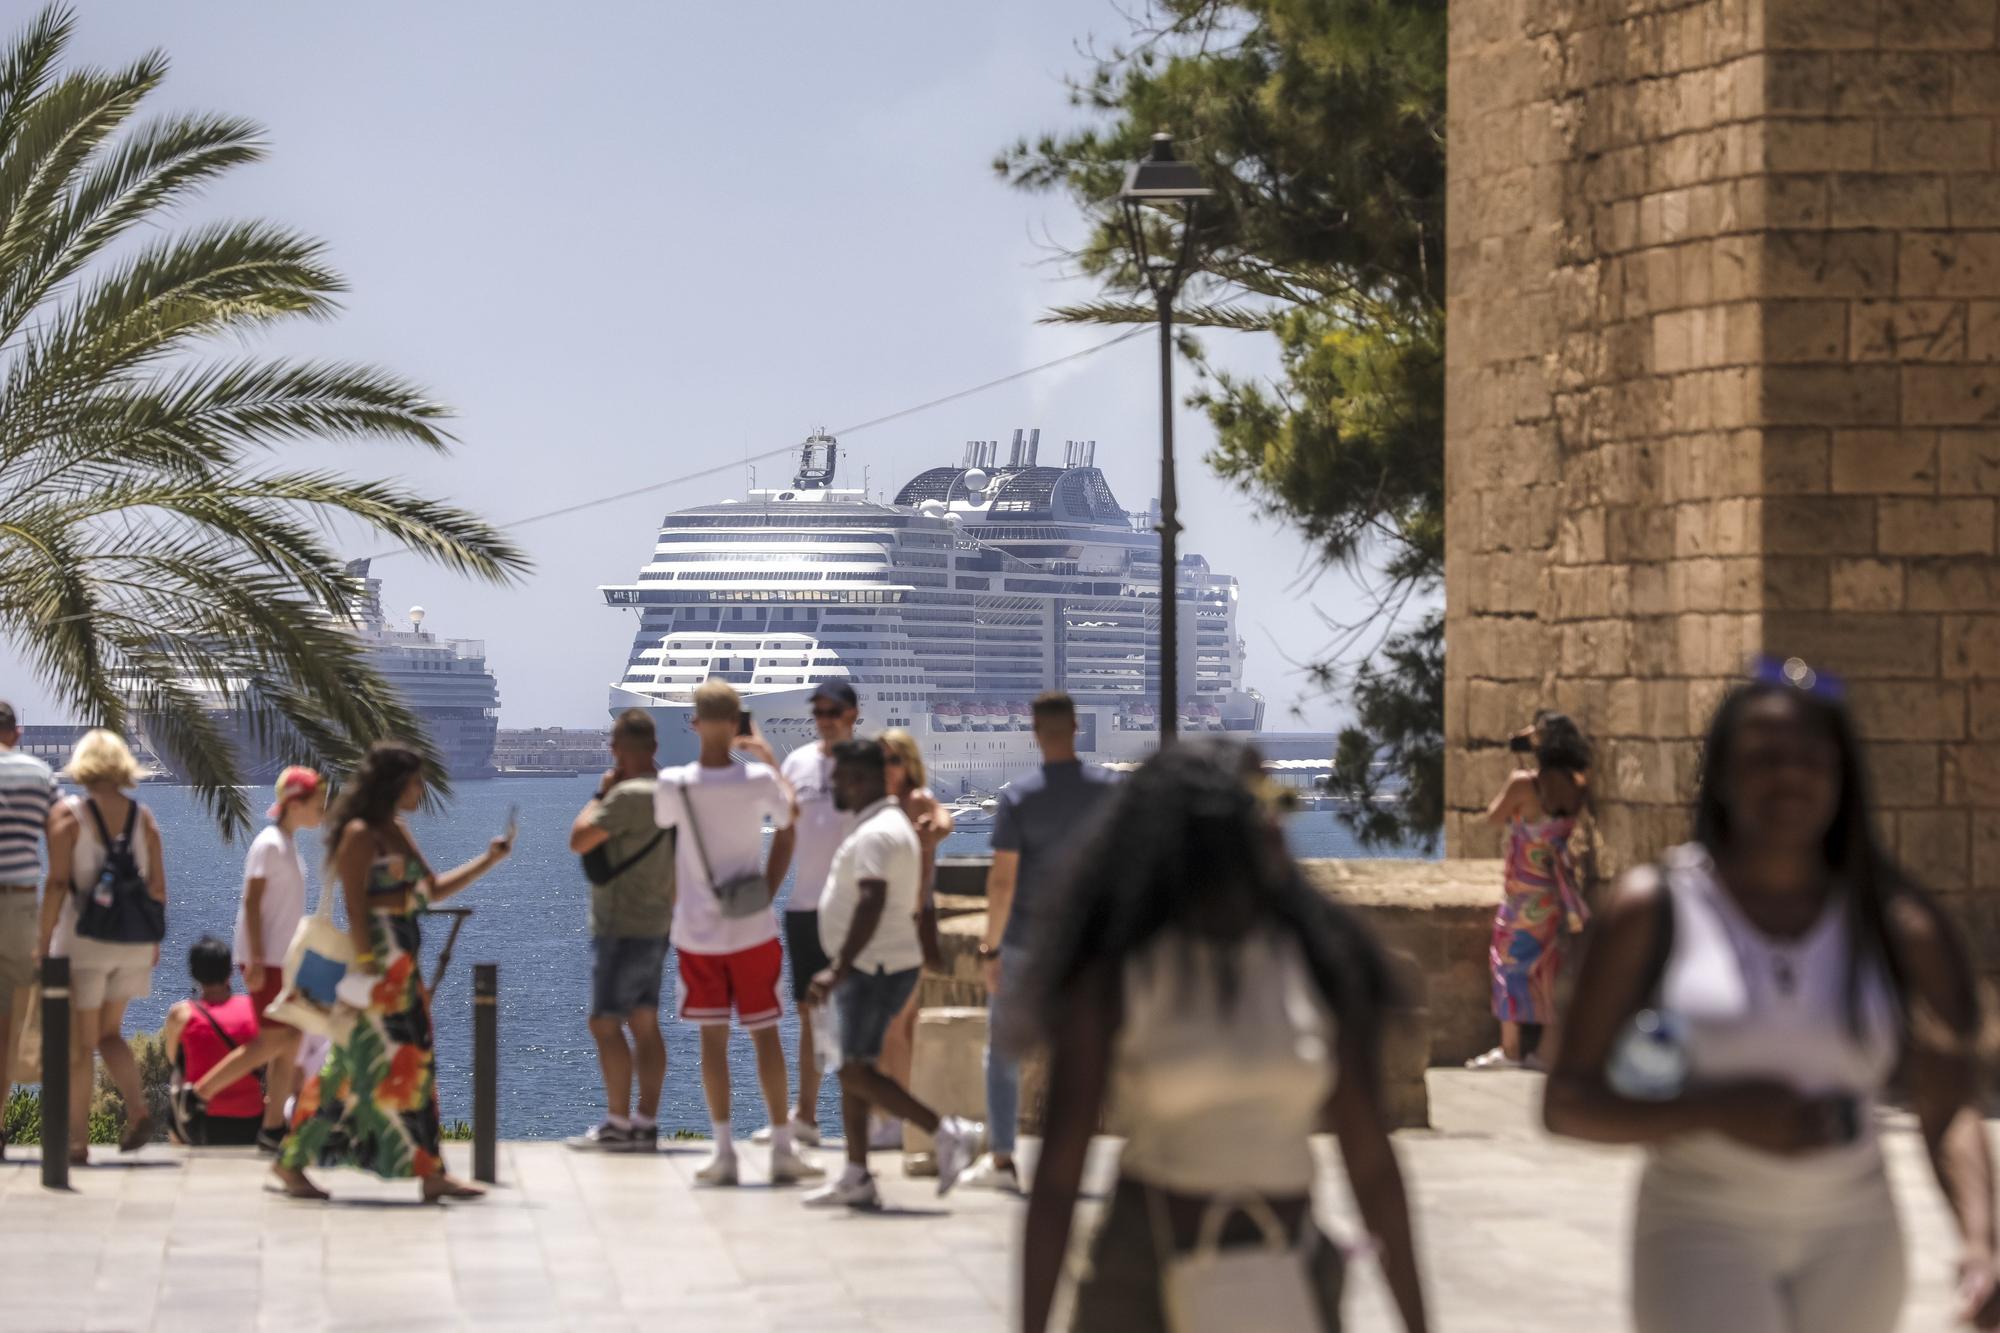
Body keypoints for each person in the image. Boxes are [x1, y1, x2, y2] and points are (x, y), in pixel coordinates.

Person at [1544, 659, 2000, 1333]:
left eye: (1809, 757)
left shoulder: (1895, 923)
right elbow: (1566, 1103)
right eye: (1763, 757)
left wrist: (1981, 1242)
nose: (1788, 775)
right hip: (1699, 1230)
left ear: (1842, 776)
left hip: (1856, 1235)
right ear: (1724, 777)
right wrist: (1717, 1111)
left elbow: (1948, 1096)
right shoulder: (1654, 907)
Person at [1014, 737, 1429, 1333]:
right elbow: (1058, 1177)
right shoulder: (1118, 972)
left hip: (1288, 1273)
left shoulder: (1320, 961)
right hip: (1140, 1280)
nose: (1273, 823)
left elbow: (1371, 1165)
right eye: (1255, 805)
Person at [271, 741, 510, 1202]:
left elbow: (433, 889)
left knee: (414, 1065)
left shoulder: (395, 830)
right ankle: (293, 1160)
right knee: (354, 1067)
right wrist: (366, 972)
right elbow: (357, 910)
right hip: (379, 968)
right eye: (416, 780)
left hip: (402, 966)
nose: (422, 789)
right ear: (395, 783)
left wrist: (490, 859)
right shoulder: (360, 833)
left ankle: (429, 1171)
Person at [652, 678, 820, 1187]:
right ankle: (782, 1147)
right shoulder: (758, 783)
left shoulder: (674, 784)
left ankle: (722, 1149)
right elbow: (792, 819)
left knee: (712, 1040)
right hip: (753, 928)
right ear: (737, 723)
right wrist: (768, 887)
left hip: (696, 932)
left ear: (695, 723)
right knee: (766, 1034)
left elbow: (666, 842)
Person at [799, 740, 980, 1209]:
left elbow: (872, 899)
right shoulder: (884, 824)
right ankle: (857, 1174)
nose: (832, 786)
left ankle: (946, 1130)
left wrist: (837, 968)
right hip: (877, 962)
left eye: (838, 778)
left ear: (858, 780)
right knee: (852, 1069)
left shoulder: (878, 832)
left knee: (855, 1070)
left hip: (873, 966)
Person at [966, 690, 1116, 1193]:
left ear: (1034, 733)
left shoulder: (1019, 797)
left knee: (1004, 1051)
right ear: (1077, 728)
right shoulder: (1107, 791)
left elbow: (1002, 881)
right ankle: (1071, 1156)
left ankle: (1004, 1159)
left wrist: (990, 947)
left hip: (1027, 940)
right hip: (1086, 945)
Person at [177, 767, 325, 1152]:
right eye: (317, 802)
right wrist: (256, 959)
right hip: (267, 959)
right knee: (278, 1038)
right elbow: (252, 901)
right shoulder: (270, 844)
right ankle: (199, 1094)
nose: (322, 810)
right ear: (295, 803)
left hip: (282, 958)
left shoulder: (288, 844)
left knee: (288, 1039)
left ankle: (273, 1127)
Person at [38, 729, 165, 1163]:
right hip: (132, 943)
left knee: (80, 1045)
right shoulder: (144, 819)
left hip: (84, 943)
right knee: (111, 1034)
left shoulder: (69, 816)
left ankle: (77, 1143)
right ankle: (138, 1109)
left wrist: (43, 943)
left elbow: (56, 884)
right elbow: (159, 891)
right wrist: (152, 943)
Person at [566, 708, 676, 1151]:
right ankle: (645, 1121)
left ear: (618, 749)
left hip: (620, 925)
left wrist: (599, 792)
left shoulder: (627, 795)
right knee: (645, 1021)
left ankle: (616, 1120)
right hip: (656, 921)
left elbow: (579, 839)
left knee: (604, 1022)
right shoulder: (672, 792)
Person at [759, 678, 860, 1150]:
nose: (824, 719)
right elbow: (785, 838)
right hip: (804, 909)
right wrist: (762, 899)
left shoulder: (871, 764)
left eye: (833, 711)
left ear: (852, 715)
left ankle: (871, 1119)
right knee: (809, 1015)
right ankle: (807, 1116)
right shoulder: (797, 762)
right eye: (818, 711)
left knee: (859, 1015)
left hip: (857, 909)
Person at [1466, 712, 1592, 1072]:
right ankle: (1547, 1054)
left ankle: (1510, 1050)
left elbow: (1493, 816)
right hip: (1552, 894)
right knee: (1546, 969)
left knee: (1505, 963)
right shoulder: (1577, 784)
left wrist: (1519, 747)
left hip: (1522, 894)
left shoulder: (1524, 784)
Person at [871, 726, 951, 1148]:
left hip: (909, 922)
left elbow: (944, 821)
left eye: (893, 759)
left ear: (909, 764)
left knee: (897, 1024)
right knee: (889, 1024)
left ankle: (896, 1117)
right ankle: (891, 1113)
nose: (886, 767)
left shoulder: (916, 801)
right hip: (877, 924)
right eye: (880, 759)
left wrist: (930, 831)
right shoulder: (874, 806)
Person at [0, 701, 56, 1158]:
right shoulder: (40, 775)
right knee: (9, 1024)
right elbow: (63, 844)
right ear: (17, 733)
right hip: (18, 906)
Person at [162, 936, 264, 1146]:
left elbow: (173, 1058)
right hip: (251, 1119)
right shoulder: (254, 1009)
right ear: (230, 971)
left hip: (200, 1121)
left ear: (194, 974)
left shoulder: (181, 1014)